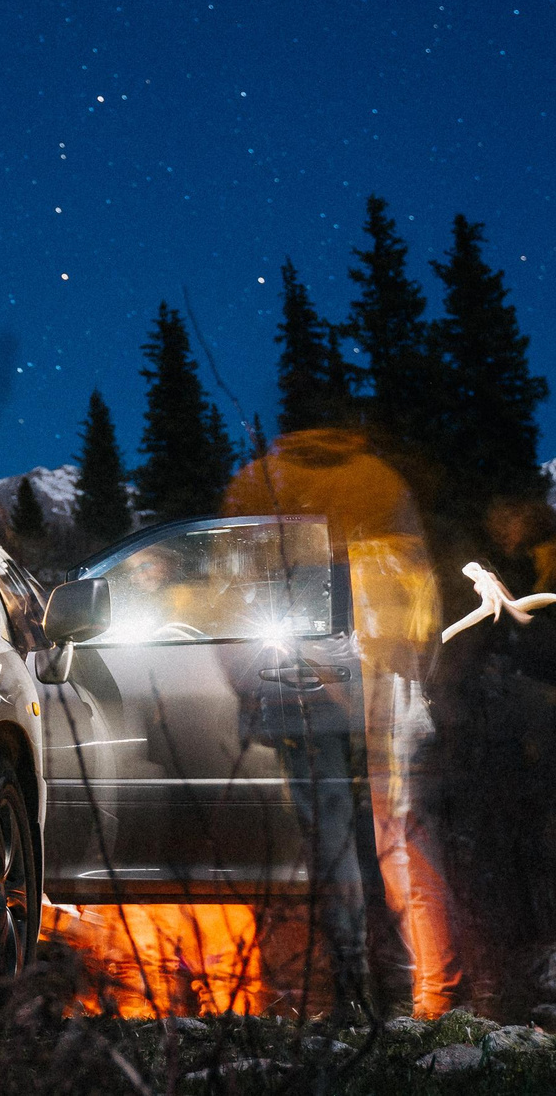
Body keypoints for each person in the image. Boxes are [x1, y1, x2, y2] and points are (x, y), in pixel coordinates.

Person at [223, 428, 465, 1019]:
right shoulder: (377, 478)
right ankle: (436, 999)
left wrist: (248, 686)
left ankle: (352, 997)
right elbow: (421, 581)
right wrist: (421, 670)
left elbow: (235, 588)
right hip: (390, 661)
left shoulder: (259, 480)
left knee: (330, 837)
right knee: (403, 832)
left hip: (303, 666)